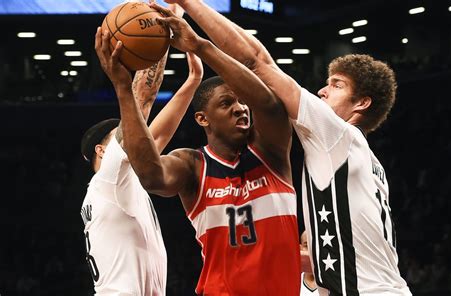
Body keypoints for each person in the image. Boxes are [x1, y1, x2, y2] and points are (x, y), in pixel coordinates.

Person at [166, 1, 412, 295]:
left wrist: (191, 16)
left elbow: (258, 60)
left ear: (361, 104)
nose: (322, 90)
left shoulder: (336, 135)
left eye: (336, 85)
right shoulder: (367, 160)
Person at [95, 4, 301, 294]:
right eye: (227, 103)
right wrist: (123, 89)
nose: (241, 108)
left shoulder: (271, 153)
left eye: (241, 101)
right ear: (203, 119)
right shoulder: (192, 165)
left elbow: (268, 104)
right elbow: (151, 176)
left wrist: (200, 46)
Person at [80, 10, 204, 294]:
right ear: (102, 150)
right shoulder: (108, 180)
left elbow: (155, 136)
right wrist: (161, 34)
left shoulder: (118, 184)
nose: (135, 130)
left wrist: (192, 82)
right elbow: (142, 101)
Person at [300, 231, 320, 296]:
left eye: (315, 246)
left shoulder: (333, 282)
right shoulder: (292, 282)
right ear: (300, 248)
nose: (311, 252)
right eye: (307, 246)